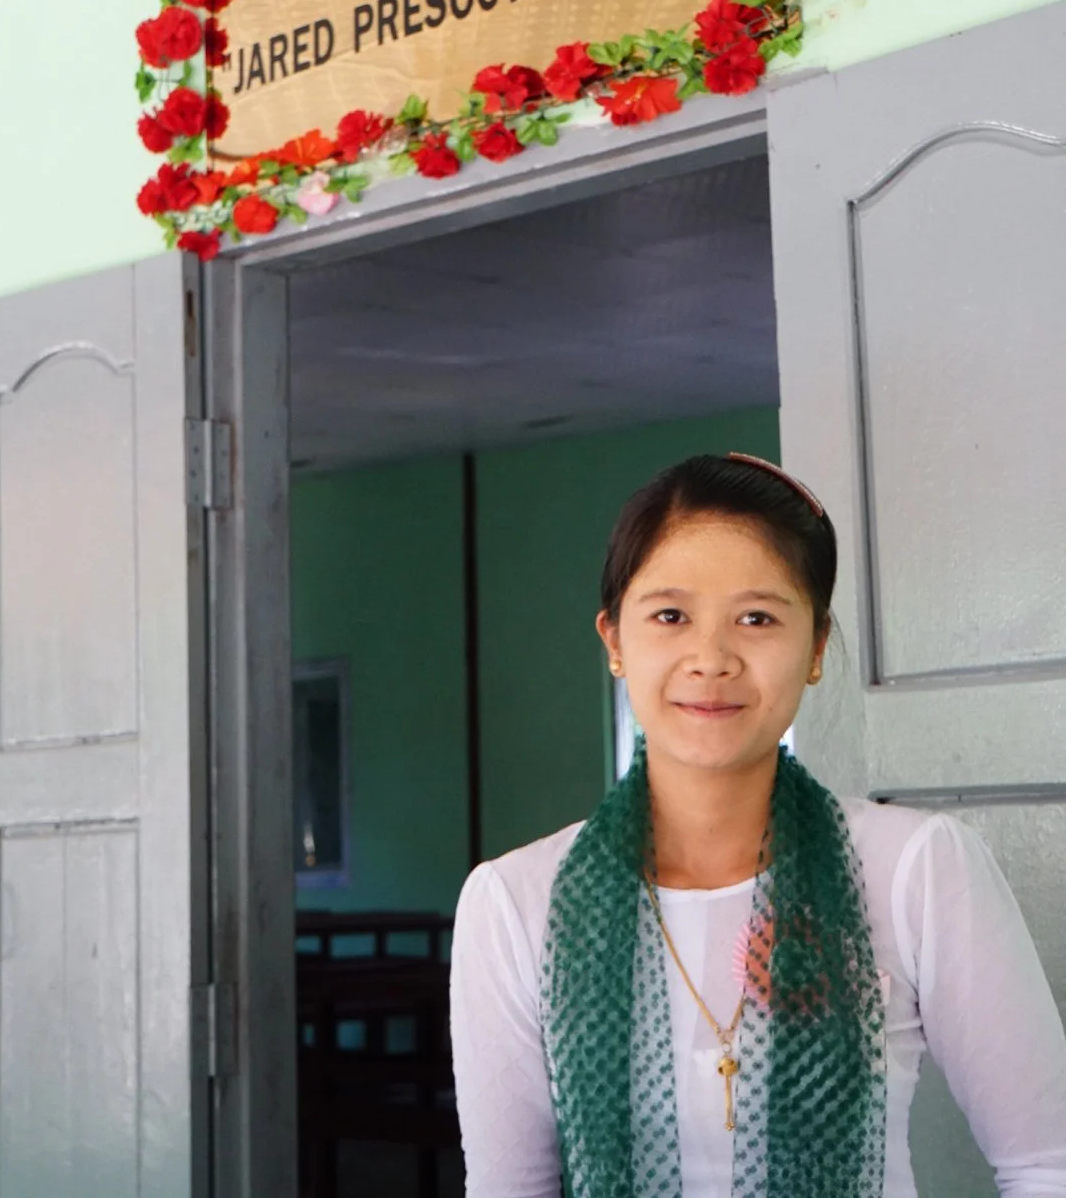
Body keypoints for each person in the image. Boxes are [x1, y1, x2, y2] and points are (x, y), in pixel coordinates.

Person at [449, 452, 1066, 1197]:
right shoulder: (515, 901)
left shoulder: (917, 867)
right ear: (615, 641)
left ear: (814, 648)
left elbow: (1045, 1163)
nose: (711, 659)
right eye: (670, 616)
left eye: (757, 618)